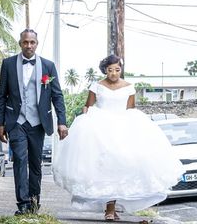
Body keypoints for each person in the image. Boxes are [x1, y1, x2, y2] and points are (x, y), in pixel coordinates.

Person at [52, 55, 184, 220]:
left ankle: (115, 207)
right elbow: (88, 105)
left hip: (123, 128)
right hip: (100, 129)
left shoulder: (129, 87)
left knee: (125, 165)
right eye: (110, 70)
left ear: (121, 70)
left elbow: (131, 109)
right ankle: (109, 209)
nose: (114, 73)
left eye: (117, 70)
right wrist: (86, 118)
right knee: (105, 167)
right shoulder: (97, 86)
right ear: (105, 70)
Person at [0, 29, 68, 215]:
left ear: (37, 43)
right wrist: (0, 124)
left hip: (38, 123)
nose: (29, 45)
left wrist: (62, 121)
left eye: (32, 42)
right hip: (16, 121)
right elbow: (1, 96)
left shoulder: (48, 66)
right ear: (20, 43)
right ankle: (23, 203)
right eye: (25, 42)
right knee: (20, 160)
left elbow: (57, 96)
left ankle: (34, 201)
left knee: (36, 164)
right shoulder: (8, 64)